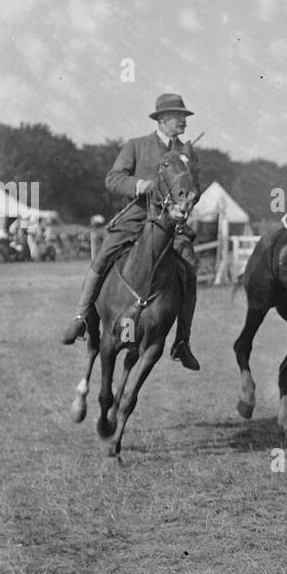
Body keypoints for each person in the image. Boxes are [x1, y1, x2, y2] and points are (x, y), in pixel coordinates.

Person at [60, 93, 203, 370]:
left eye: (185, 117)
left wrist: (189, 199)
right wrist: (141, 185)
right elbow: (113, 179)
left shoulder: (187, 152)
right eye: (178, 116)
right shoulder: (137, 146)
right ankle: (80, 318)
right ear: (162, 120)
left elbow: (193, 185)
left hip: (173, 224)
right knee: (102, 258)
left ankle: (182, 342)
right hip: (136, 219)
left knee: (189, 271)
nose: (184, 121)